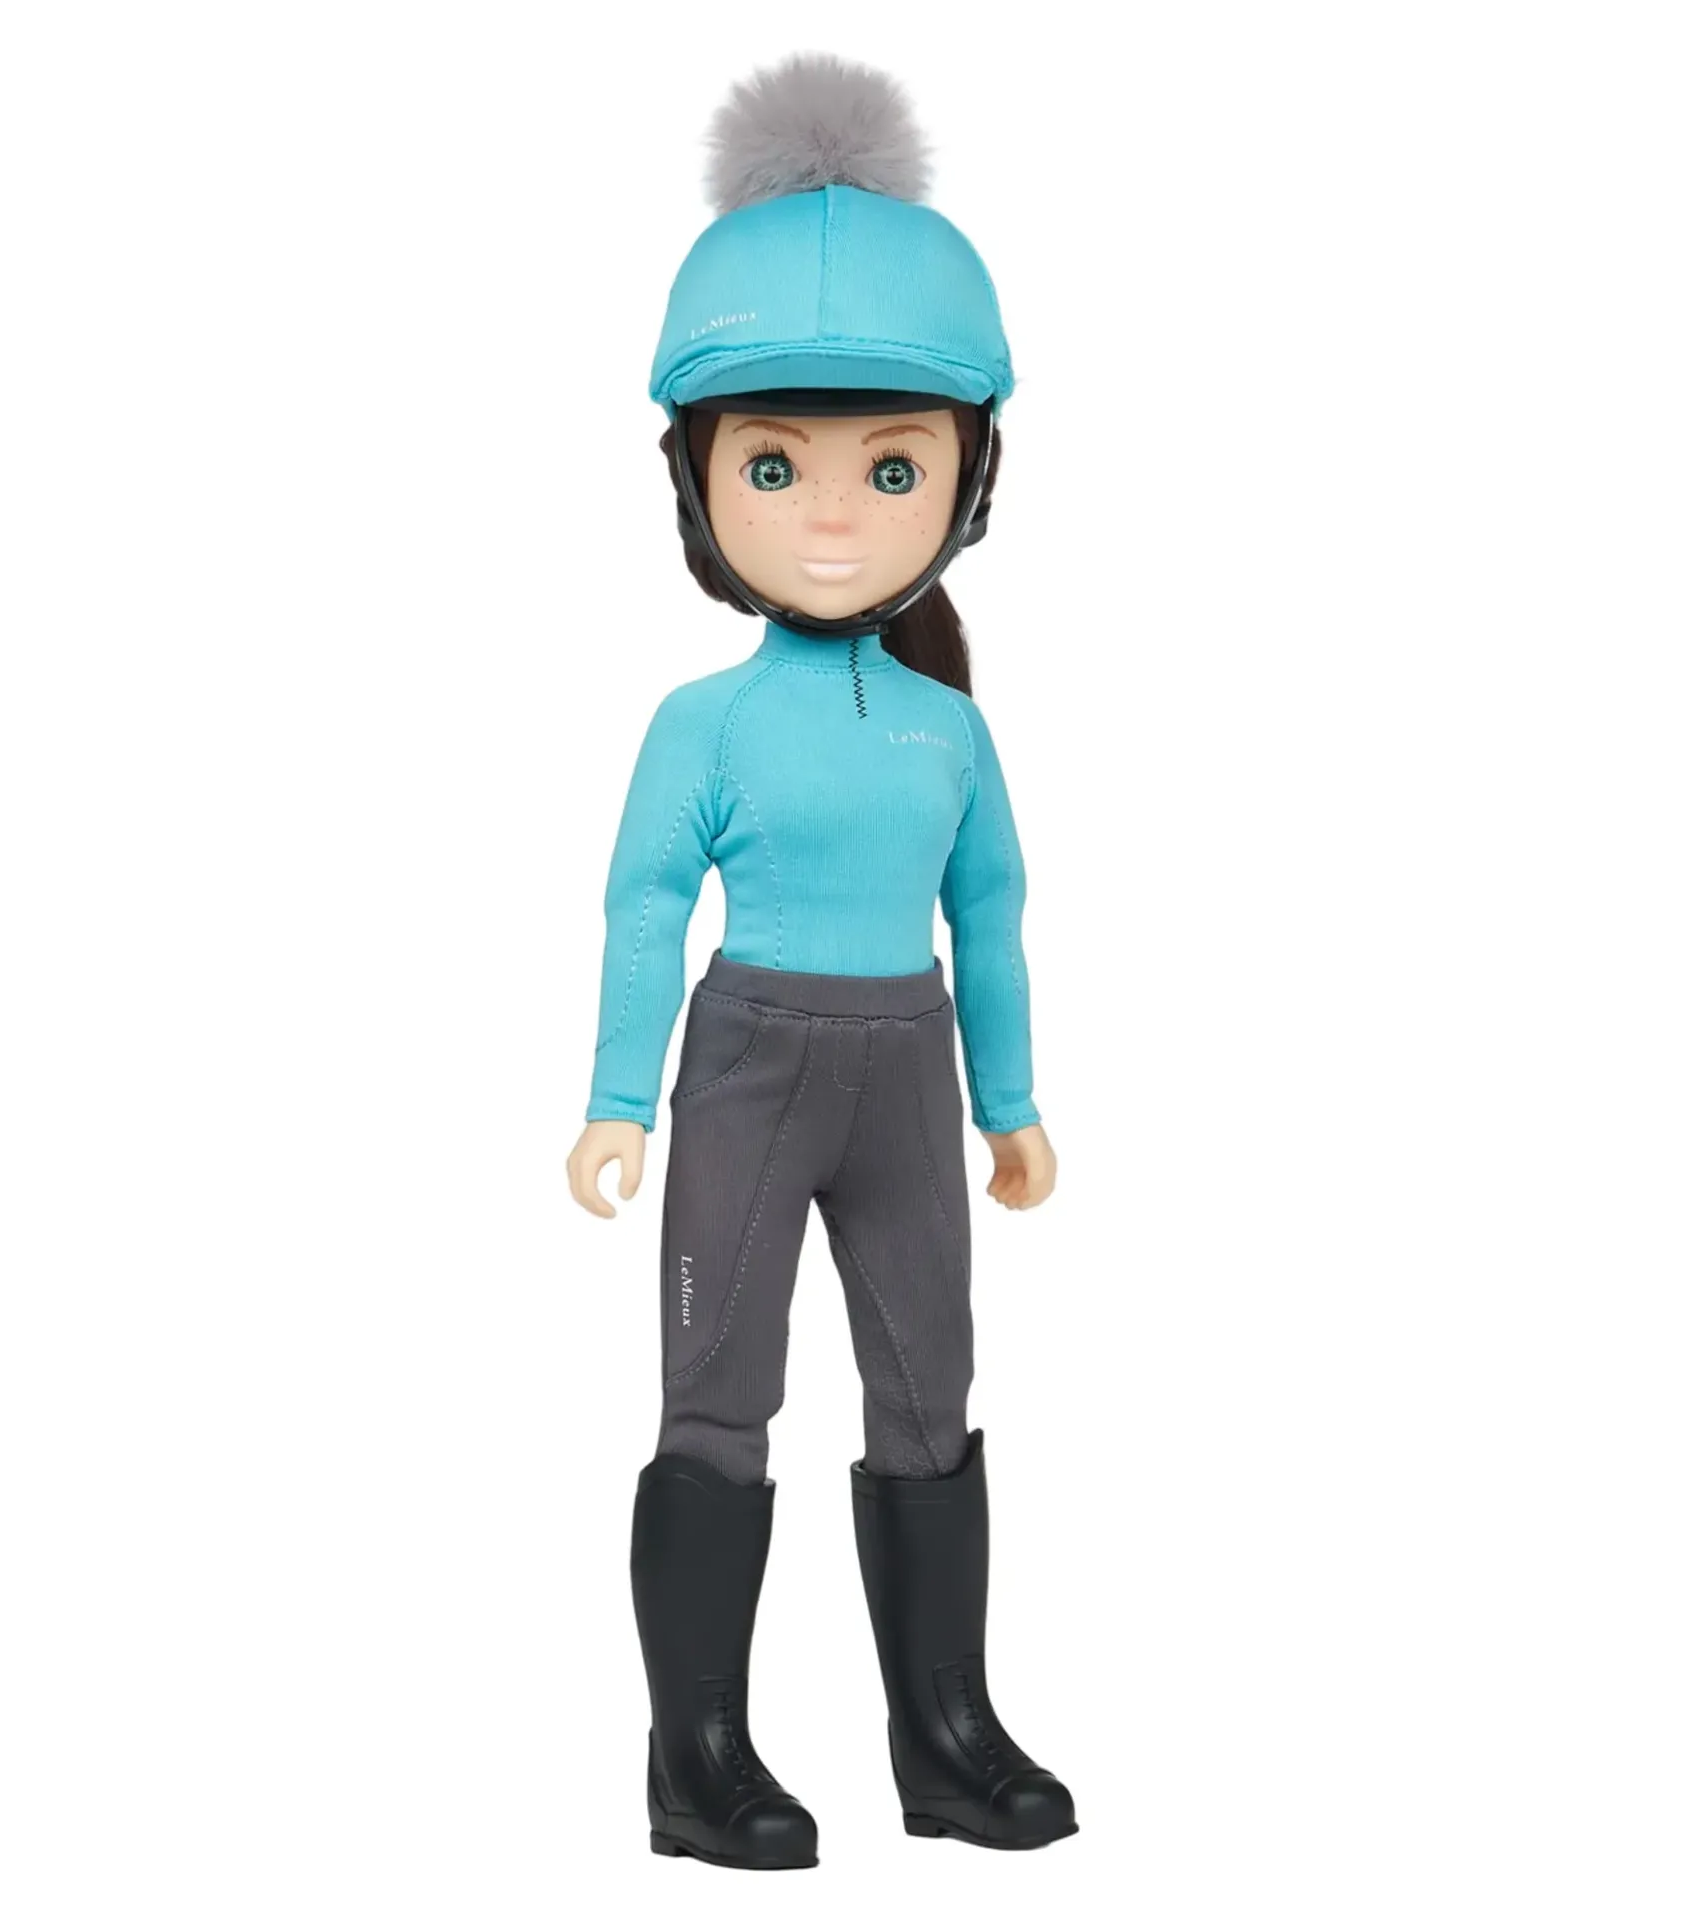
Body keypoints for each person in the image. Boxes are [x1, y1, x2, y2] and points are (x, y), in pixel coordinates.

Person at [564, 53, 1077, 1868]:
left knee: (928, 1387)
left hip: (909, 1074)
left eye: (892, 465)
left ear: (966, 479)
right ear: (700, 482)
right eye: (775, 465)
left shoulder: (950, 730)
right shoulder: (702, 724)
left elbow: (990, 915)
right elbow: (644, 905)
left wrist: (1010, 1103)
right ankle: (695, 1752)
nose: (836, 516)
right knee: (718, 1393)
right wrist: (621, 1101)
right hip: (753, 1068)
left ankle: (948, 1731)